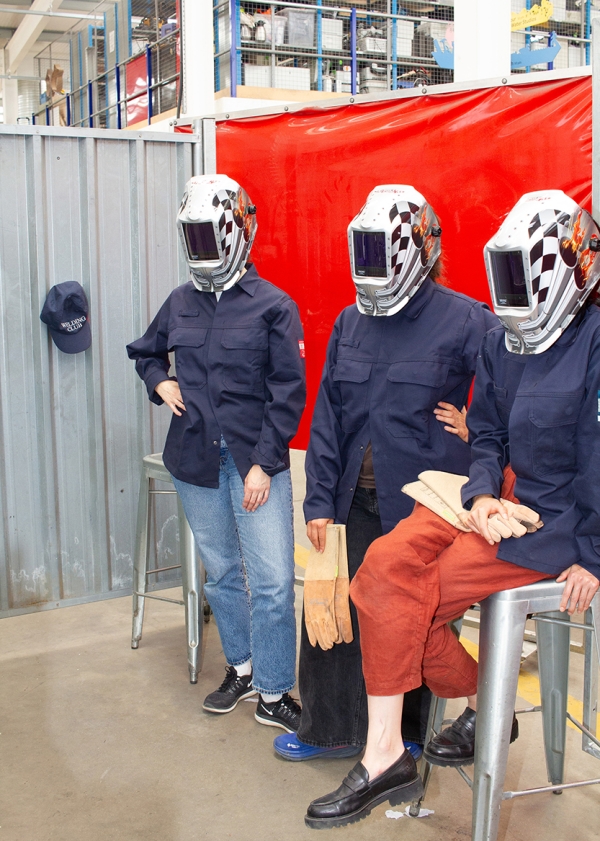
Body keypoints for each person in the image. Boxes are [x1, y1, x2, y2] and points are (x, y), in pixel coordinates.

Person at [304, 189, 600, 829]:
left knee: (412, 596)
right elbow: (487, 431)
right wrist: (484, 492)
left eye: (526, 275)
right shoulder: (504, 343)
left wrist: (595, 556)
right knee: (379, 572)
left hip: (553, 521)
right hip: (485, 500)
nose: (516, 293)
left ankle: (411, 741)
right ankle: (401, 745)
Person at [273, 185, 498, 763]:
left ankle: (408, 735)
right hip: (351, 498)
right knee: (332, 613)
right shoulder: (350, 322)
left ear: (421, 250)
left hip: (423, 508)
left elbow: (515, 385)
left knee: (404, 618)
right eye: (366, 249)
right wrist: (318, 501)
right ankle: (326, 731)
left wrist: (479, 428)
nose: (374, 264)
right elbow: (328, 417)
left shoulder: (466, 319)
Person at [127, 174, 306, 732]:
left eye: (210, 234)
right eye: (194, 236)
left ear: (238, 230)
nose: (202, 247)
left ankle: (274, 692)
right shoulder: (179, 301)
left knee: (273, 580)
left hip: (256, 464)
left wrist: (263, 465)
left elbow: (288, 391)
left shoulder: (274, 306)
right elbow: (146, 352)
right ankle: (242, 669)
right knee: (223, 573)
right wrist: (159, 381)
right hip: (194, 462)